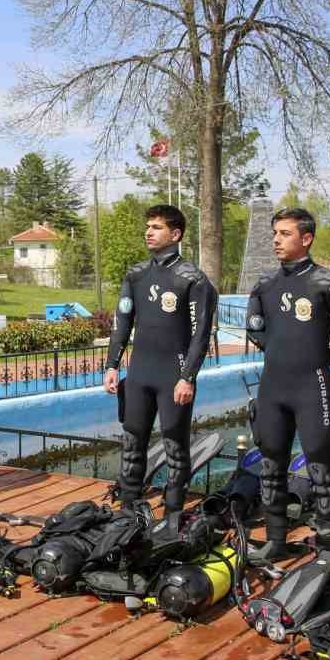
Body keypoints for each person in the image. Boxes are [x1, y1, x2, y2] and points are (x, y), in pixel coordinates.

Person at [244, 206, 330, 560]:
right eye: (275, 233)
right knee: (271, 466)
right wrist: (281, 351)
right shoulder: (266, 284)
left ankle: (327, 550)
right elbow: (255, 328)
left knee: (320, 470)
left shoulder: (327, 283)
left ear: (306, 238)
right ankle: (276, 540)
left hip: (312, 388)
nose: (276, 240)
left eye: (284, 234)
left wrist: (318, 357)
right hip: (273, 388)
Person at [102, 204, 219, 515]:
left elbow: (201, 335)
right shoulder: (136, 274)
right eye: (148, 226)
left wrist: (188, 377)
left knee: (175, 447)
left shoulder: (193, 279)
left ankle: (173, 513)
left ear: (175, 234)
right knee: (132, 443)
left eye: (156, 227)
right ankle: (128, 510)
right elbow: (122, 322)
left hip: (173, 377)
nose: (148, 232)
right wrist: (112, 365)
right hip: (139, 374)